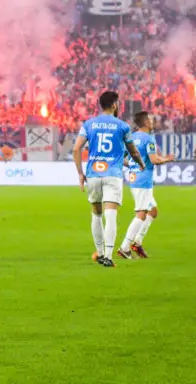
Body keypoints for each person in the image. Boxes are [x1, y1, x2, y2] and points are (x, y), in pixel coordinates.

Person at [73, 91, 144, 267]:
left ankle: (100, 253)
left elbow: (76, 149)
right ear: (113, 105)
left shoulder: (89, 124)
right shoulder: (122, 126)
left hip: (93, 174)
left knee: (96, 214)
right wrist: (140, 163)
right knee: (111, 214)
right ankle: (109, 256)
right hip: (113, 174)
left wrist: (80, 174)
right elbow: (133, 151)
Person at [117, 112, 174, 259]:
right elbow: (154, 160)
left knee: (152, 211)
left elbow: (120, 158)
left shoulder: (131, 137)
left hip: (134, 178)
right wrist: (167, 159)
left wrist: (133, 165)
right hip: (143, 181)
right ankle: (124, 248)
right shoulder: (149, 139)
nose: (153, 121)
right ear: (146, 123)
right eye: (151, 119)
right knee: (141, 214)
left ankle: (137, 242)